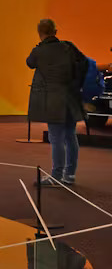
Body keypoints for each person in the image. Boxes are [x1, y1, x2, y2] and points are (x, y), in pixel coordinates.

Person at [26, 18, 88, 186]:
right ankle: (70, 175)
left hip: (53, 100)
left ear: (40, 34)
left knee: (56, 139)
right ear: (55, 32)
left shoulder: (38, 51)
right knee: (70, 137)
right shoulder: (68, 47)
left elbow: (29, 63)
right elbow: (84, 63)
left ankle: (56, 176)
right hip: (71, 97)